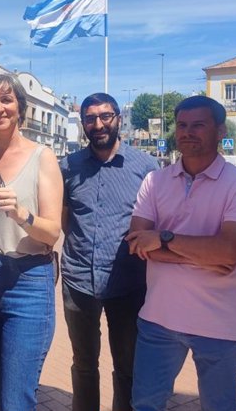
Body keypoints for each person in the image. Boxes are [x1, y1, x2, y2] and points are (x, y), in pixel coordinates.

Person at [126, 96, 236, 411]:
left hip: (218, 324)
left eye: (198, 125)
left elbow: (228, 253)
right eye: (183, 126)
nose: (188, 132)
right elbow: (136, 242)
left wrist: (162, 238)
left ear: (219, 131)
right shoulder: (155, 181)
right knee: (145, 404)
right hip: (158, 319)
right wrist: (207, 255)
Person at [0, 73, 63, 411]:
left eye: (6, 100)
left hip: (28, 279)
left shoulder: (43, 157)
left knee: (16, 395)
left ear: (20, 107)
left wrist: (22, 214)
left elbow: (52, 233)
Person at [60, 93, 158, 411]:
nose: (98, 124)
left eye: (105, 116)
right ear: (83, 124)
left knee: (127, 366)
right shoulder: (68, 167)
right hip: (79, 282)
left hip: (127, 283)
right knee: (84, 364)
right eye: (90, 118)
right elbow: (65, 219)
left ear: (118, 119)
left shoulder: (146, 168)